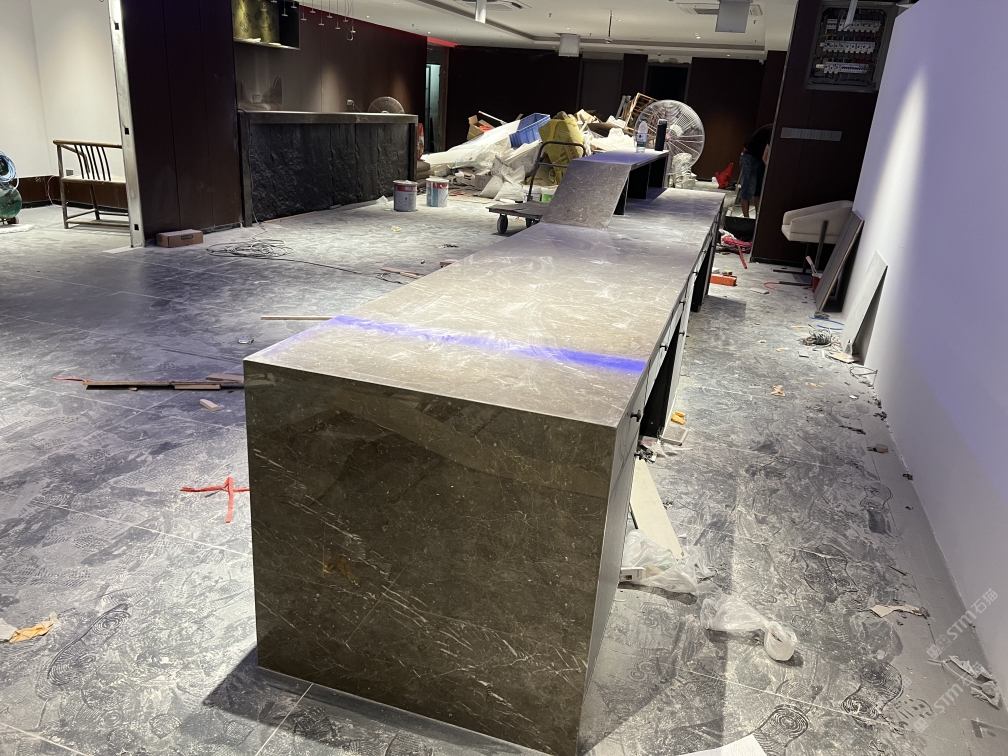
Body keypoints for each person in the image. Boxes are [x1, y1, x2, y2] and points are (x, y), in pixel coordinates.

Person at [738, 123, 773, 219]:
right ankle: (746, 218)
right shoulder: (772, 130)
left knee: (759, 190)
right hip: (749, 156)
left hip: (758, 157)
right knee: (747, 189)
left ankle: (758, 218)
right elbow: (765, 157)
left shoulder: (775, 131)